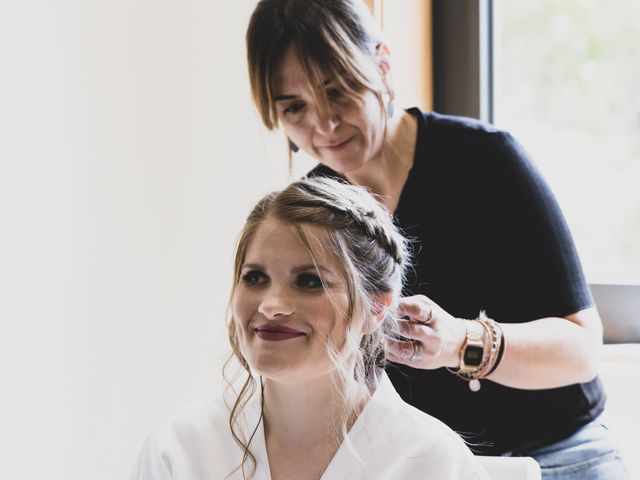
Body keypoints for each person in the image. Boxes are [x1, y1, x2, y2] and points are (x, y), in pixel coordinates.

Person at [244, 0, 629, 478]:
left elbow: (581, 353)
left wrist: (457, 343)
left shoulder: (485, 161)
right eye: (295, 107)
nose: (323, 125)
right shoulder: (315, 211)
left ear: (382, 64)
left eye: (337, 92)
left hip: (557, 457)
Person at [130, 177, 489, 479]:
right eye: (255, 277)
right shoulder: (178, 451)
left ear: (376, 308)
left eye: (309, 281)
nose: (271, 306)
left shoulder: (431, 462)